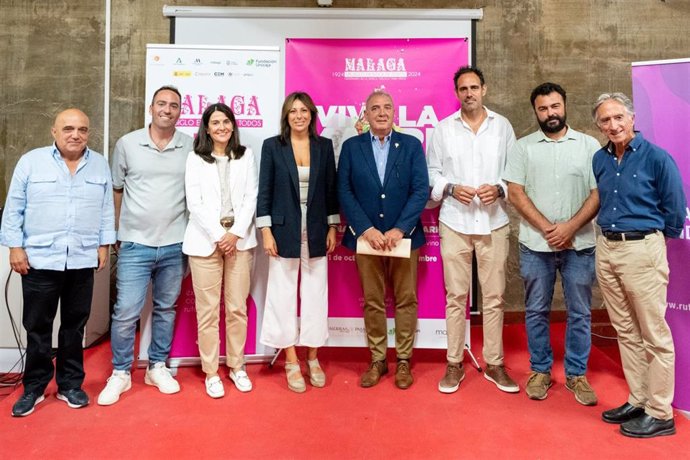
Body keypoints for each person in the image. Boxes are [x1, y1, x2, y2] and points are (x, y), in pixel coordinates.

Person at [1, 109, 116, 416]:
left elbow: (106, 207)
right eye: (68, 128)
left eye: (81, 129)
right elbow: (14, 208)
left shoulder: (99, 164)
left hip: (81, 258)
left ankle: (70, 385)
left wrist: (104, 243)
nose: (75, 134)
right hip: (40, 259)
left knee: (74, 326)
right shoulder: (31, 162)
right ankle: (35, 387)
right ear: (54, 131)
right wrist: (15, 247)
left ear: (88, 133)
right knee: (38, 327)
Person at [593, 92, 686, 438]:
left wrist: (654, 243)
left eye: (619, 117)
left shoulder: (657, 158)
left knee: (654, 335)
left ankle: (661, 412)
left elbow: (675, 208)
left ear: (632, 118)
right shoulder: (599, 159)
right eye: (605, 120)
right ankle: (639, 399)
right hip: (608, 249)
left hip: (642, 249)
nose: (613, 125)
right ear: (599, 125)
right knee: (626, 330)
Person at [503, 82, 601, 404]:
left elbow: (597, 193)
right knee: (535, 310)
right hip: (536, 245)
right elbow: (515, 193)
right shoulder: (523, 147)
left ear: (565, 105)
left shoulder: (588, 146)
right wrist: (549, 229)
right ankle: (540, 370)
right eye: (543, 108)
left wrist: (570, 227)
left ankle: (576, 374)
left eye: (555, 106)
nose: (550, 113)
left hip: (580, 244)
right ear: (536, 111)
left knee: (580, 312)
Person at [97, 86, 193, 406]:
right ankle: (122, 372)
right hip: (135, 243)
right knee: (126, 312)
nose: (168, 109)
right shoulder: (127, 144)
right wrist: (116, 233)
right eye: (162, 104)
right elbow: (117, 190)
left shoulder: (189, 146)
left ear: (181, 111)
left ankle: (157, 366)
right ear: (150, 107)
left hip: (175, 244)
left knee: (165, 309)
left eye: (174, 105)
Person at [427, 66, 518, 394]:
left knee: (494, 297)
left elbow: (513, 171)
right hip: (455, 222)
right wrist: (450, 188)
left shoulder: (502, 126)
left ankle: (494, 363)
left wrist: (500, 189)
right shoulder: (442, 129)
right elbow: (431, 173)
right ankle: (454, 363)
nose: (469, 93)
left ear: (484, 89)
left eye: (474, 87)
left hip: (494, 222)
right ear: (456, 93)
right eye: (463, 88)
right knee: (456, 296)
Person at [338, 90, 428, 390]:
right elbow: (344, 192)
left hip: (404, 238)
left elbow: (419, 191)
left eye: (387, 107)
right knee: (373, 301)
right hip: (367, 240)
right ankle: (378, 359)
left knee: (406, 300)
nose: (381, 112)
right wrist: (365, 228)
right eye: (374, 108)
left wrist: (400, 228)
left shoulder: (412, 146)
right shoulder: (351, 147)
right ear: (365, 114)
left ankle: (403, 360)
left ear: (394, 113)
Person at [257, 92, 339, 393]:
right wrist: (266, 231)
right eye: (293, 111)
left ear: (312, 114)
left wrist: (333, 226)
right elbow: (264, 192)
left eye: (304, 110)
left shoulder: (324, 146)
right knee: (282, 294)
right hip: (282, 231)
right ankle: (291, 359)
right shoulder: (272, 147)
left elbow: (331, 189)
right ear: (286, 116)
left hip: (317, 230)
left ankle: (313, 358)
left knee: (316, 294)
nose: (299, 116)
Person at [183, 103, 258, 398]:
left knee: (237, 308)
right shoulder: (195, 158)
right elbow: (195, 203)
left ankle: (237, 366)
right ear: (206, 127)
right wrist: (219, 236)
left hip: (240, 241)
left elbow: (252, 196)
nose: (222, 127)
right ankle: (211, 371)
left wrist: (236, 233)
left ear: (233, 125)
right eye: (215, 122)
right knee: (208, 311)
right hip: (205, 242)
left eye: (226, 122)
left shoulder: (246, 155)